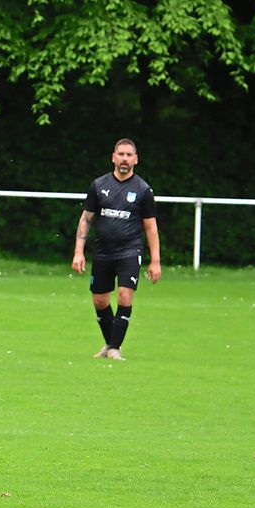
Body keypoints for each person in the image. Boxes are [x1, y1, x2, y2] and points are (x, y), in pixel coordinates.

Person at [71, 139, 162, 360]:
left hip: (130, 251)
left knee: (124, 294)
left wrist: (155, 260)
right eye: (121, 154)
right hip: (103, 251)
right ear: (113, 157)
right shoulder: (98, 185)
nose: (124, 159)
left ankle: (114, 348)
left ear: (136, 159)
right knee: (100, 300)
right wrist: (78, 251)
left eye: (129, 155)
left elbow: (150, 227)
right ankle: (110, 343)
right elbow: (86, 219)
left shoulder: (143, 190)